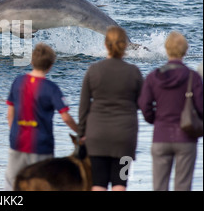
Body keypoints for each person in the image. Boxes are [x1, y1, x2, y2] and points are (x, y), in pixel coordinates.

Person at [4, 43, 78, 190]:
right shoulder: (51, 88)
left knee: (12, 183)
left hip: (17, 141)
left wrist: (15, 132)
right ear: (51, 65)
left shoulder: (18, 81)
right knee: (43, 184)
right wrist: (80, 131)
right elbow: (66, 117)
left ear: (31, 61)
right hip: (41, 145)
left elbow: (10, 114)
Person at [78, 26, 143, 191]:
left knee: (98, 184)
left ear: (106, 45)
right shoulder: (134, 72)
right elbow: (142, 104)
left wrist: (81, 134)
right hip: (124, 139)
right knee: (120, 184)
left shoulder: (94, 70)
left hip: (97, 138)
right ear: (124, 46)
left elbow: (83, 106)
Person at [138, 31, 203, 191]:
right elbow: (201, 108)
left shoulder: (154, 76)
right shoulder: (193, 77)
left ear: (166, 50)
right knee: (183, 186)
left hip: (160, 137)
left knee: (159, 187)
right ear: (185, 51)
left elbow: (144, 105)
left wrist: (157, 121)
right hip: (186, 138)